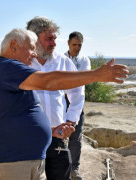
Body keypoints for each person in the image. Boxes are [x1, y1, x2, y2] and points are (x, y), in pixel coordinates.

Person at [0, 28, 128, 180]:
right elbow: (48, 81)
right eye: (31, 48)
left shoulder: (11, 72)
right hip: (10, 161)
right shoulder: (4, 67)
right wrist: (96, 75)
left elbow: (15, 115)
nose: (34, 53)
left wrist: (52, 131)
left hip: (23, 159)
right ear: (13, 46)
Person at [27, 17, 85, 180]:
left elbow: (78, 92)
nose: (53, 43)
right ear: (34, 39)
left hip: (57, 136)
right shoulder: (22, 63)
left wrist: (70, 121)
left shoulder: (63, 62)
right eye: (49, 39)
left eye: (54, 38)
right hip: (29, 137)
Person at [64, 31, 90, 180]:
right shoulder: (60, 59)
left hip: (77, 101)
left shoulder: (85, 60)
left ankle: (74, 168)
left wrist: (68, 79)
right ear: (68, 43)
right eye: (74, 44)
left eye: (80, 45)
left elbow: (82, 79)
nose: (77, 48)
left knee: (76, 136)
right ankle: (59, 167)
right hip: (61, 100)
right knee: (57, 135)